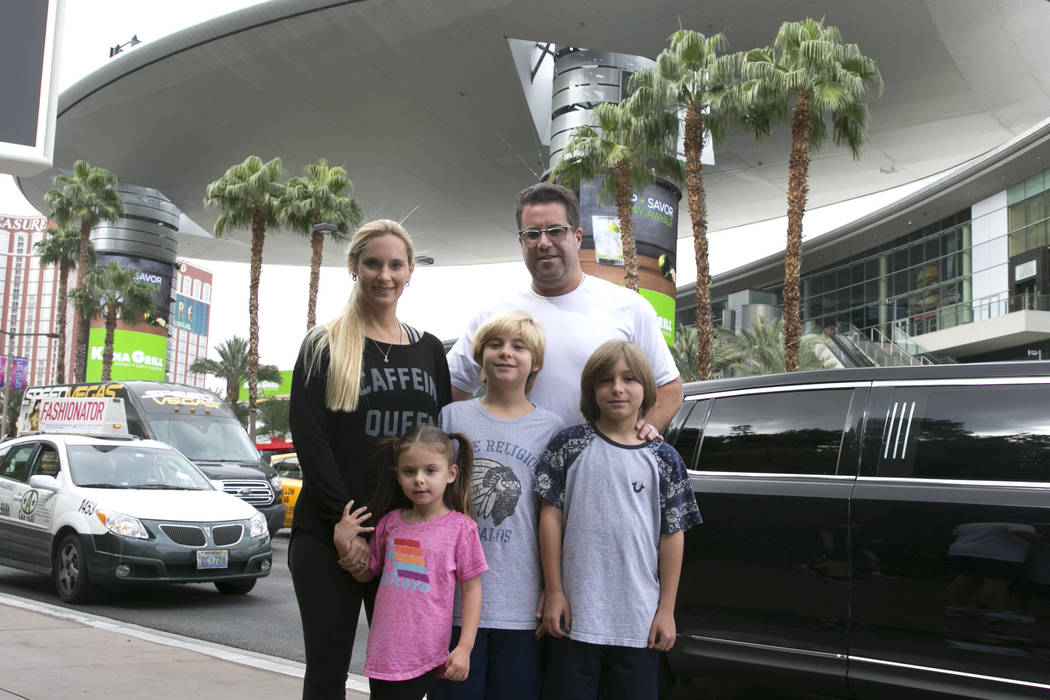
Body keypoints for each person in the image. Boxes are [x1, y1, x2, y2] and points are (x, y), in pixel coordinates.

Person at [288, 219, 452, 700]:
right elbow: (311, 440)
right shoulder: (323, 344)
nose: (385, 275)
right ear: (354, 266)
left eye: (395, 265)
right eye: (373, 264)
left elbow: (438, 444)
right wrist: (347, 526)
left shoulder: (429, 350)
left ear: (410, 271)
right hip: (329, 534)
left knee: (402, 679)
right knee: (327, 675)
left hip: (406, 541)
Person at [535, 340, 702, 700]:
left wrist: (666, 611)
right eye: (605, 380)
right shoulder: (568, 445)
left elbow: (673, 535)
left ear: (646, 388)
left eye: (629, 379)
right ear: (591, 389)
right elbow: (550, 518)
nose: (617, 388)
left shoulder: (665, 459)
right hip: (574, 619)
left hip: (638, 623)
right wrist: (554, 590)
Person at [447, 182, 682, 436]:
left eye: (556, 231)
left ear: (577, 237)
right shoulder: (494, 316)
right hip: (511, 461)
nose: (544, 242)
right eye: (532, 234)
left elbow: (669, 388)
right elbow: (450, 387)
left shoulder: (628, 306)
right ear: (521, 241)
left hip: (595, 462)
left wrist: (634, 442)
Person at [429, 310, 566, 700]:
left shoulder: (551, 428)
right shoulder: (451, 418)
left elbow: (554, 516)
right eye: (495, 345)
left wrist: (553, 587)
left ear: (535, 362)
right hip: (453, 603)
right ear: (480, 356)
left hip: (521, 605)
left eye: (519, 347)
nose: (506, 353)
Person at [340, 426, 488, 700]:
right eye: (410, 471)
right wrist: (343, 542)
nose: (419, 479)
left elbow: (472, 589)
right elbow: (366, 573)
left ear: (451, 473)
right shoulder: (390, 523)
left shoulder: (460, 528)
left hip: (423, 652)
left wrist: (465, 648)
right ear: (398, 475)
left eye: (430, 470)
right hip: (383, 651)